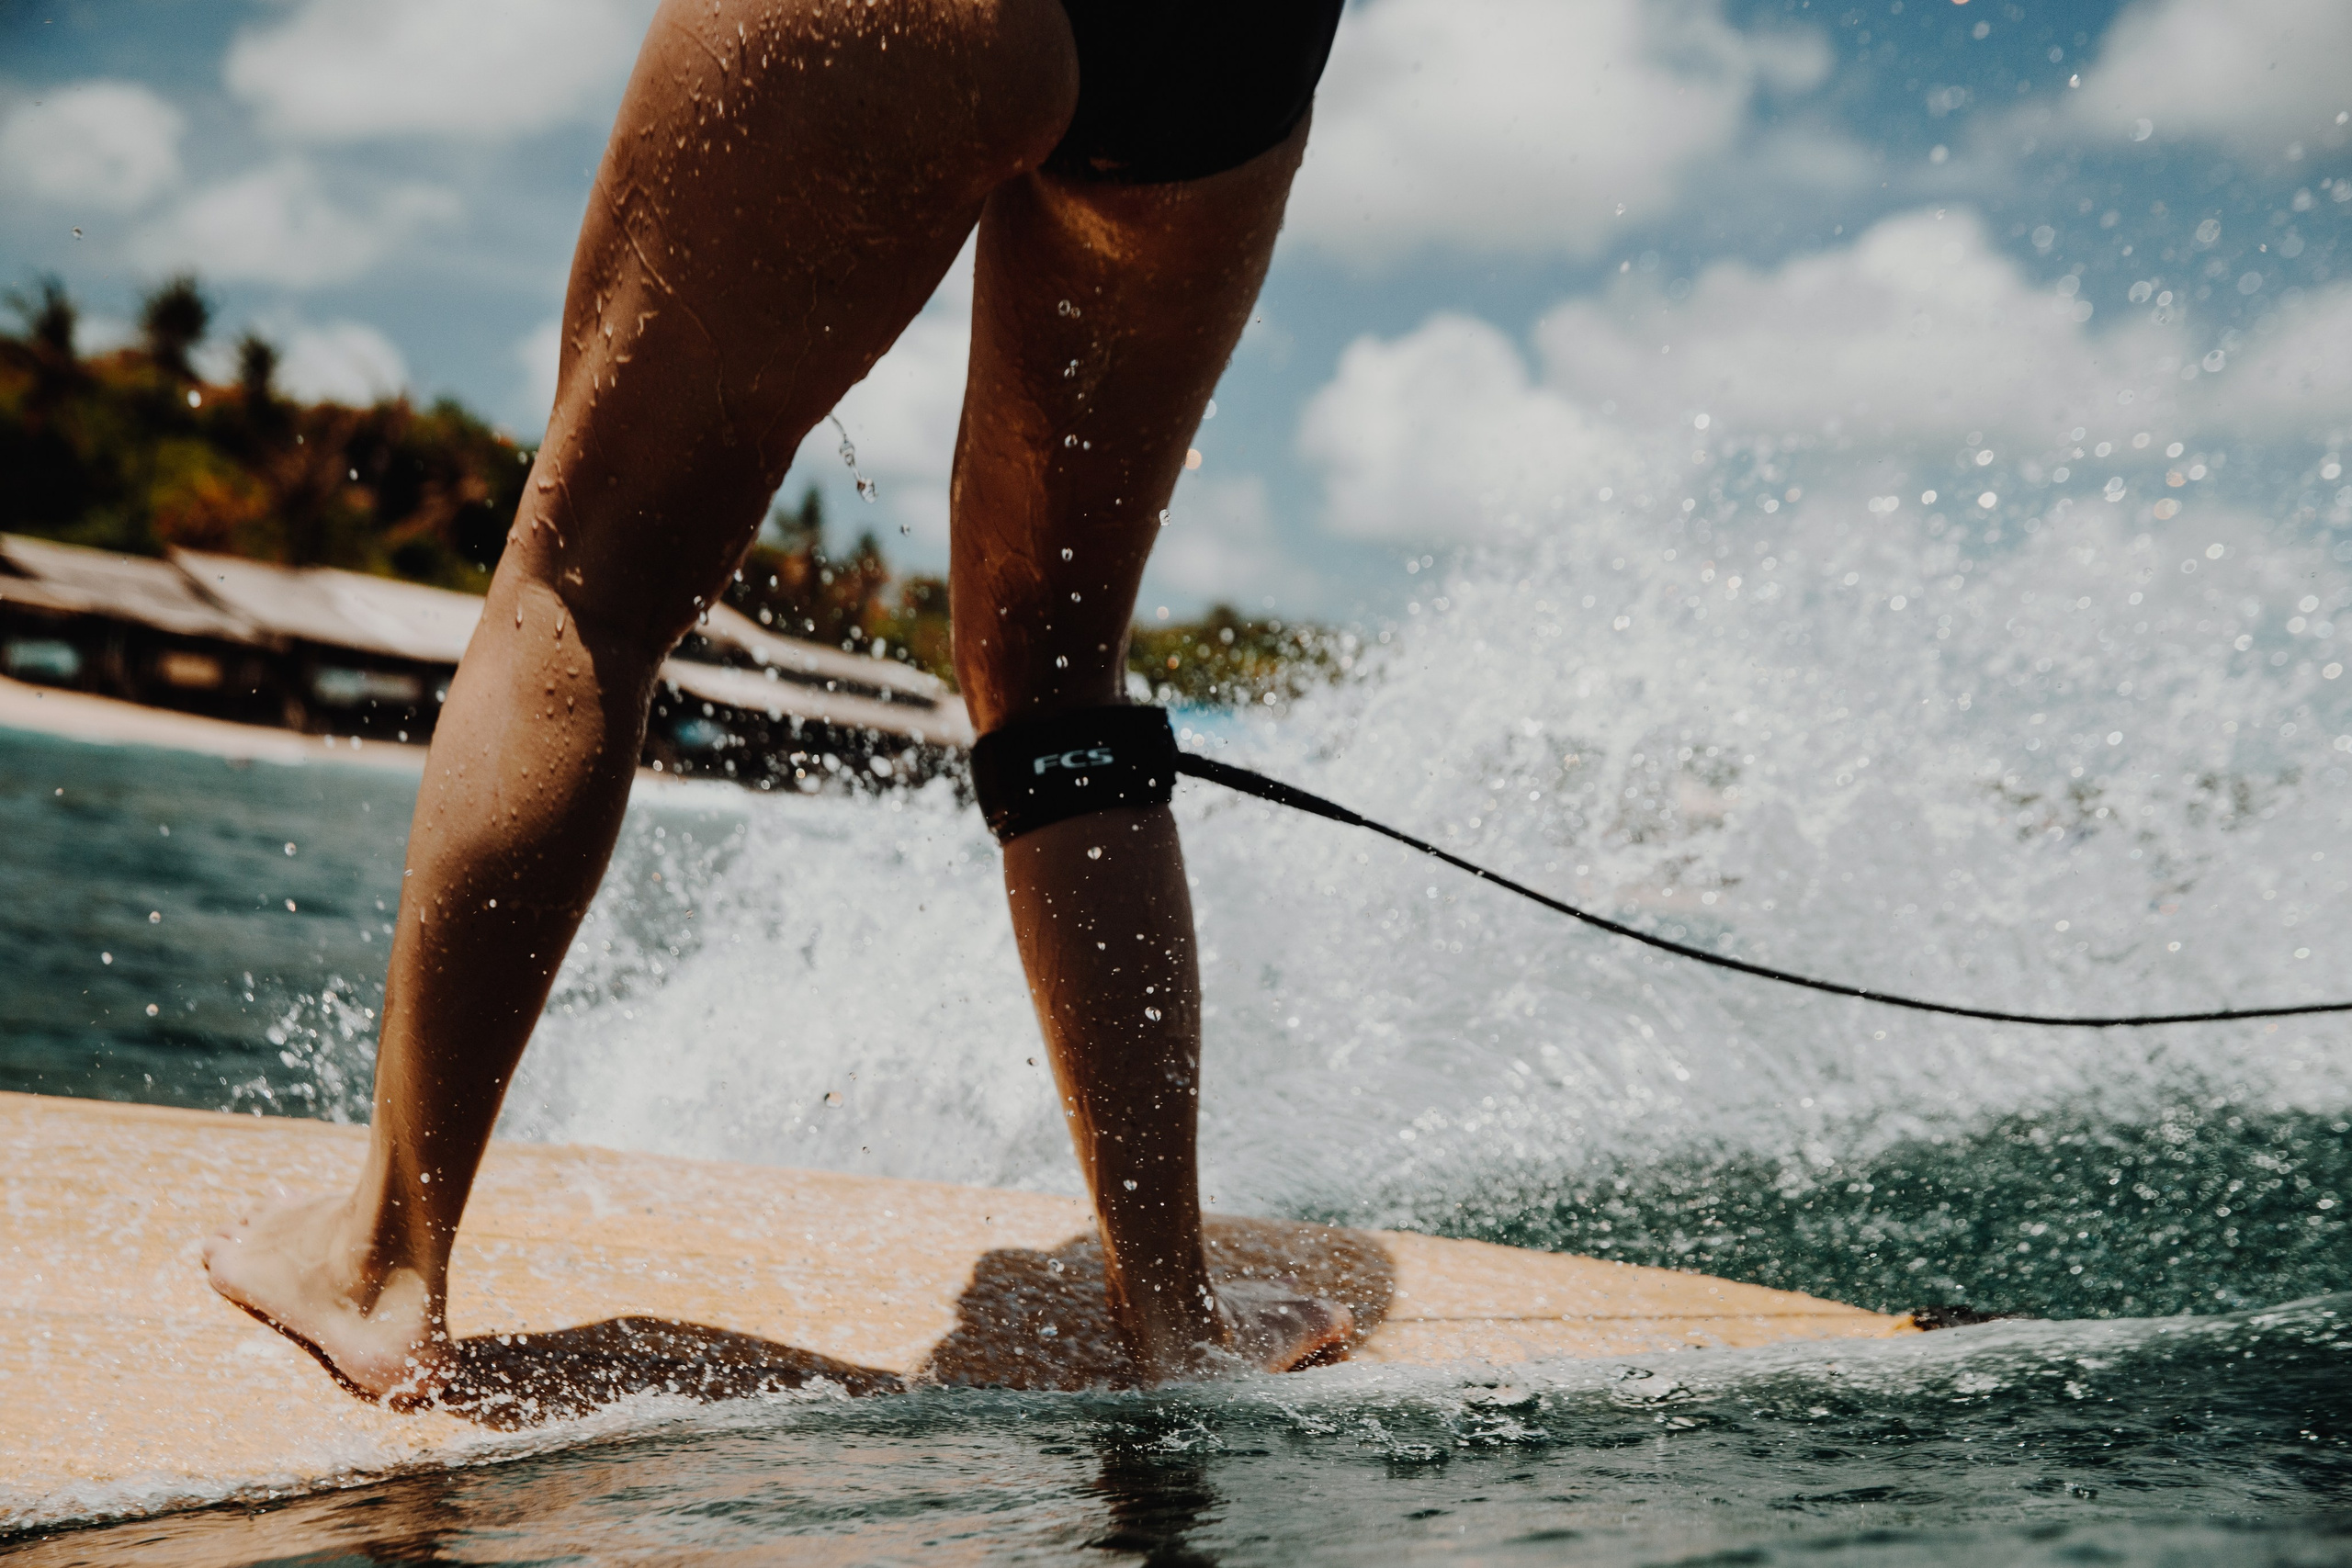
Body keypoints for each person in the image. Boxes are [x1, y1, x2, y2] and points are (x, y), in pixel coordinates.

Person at [202, 0, 1352, 1401]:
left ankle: (380, 1259)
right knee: (1062, 672)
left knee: (589, 580)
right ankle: (1172, 1314)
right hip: (1233, 57)